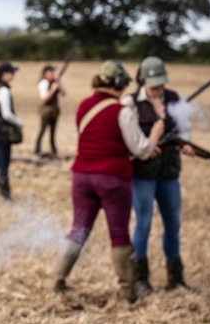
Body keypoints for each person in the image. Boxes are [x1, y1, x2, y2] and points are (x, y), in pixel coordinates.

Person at [50, 60, 164, 302]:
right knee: (119, 234)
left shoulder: (83, 105)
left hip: (81, 177)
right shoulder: (121, 110)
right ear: (120, 83)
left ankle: (57, 281)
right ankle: (127, 292)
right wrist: (154, 138)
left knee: (78, 230)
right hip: (113, 179)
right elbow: (141, 148)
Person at [122, 56, 196, 297]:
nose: (158, 87)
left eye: (161, 82)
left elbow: (184, 129)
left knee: (173, 223)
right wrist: (147, 144)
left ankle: (176, 278)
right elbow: (128, 137)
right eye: (153, 82)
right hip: (143, 172)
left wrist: (186, 143)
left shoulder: (175, 98)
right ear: (142, 78)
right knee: (143, 222)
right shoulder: (130, 102)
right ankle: (140, 280)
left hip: (169, 171)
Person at [0, 61, 23, 199]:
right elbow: (7, 114)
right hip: (3, 132)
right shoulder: (4, 90)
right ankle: (5, 194)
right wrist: (19, 123)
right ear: (3, 74)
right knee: (4, 163)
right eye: (11, 72)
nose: (13, 74)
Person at [35, 65, 65, 156]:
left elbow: (64, 94)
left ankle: (53, 150)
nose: (53, 74)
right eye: (51, 72)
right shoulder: (43, 83)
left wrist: (59, 83)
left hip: (54, 111)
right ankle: (37, 148)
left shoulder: (55, 82)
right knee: (42, 130)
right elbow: (45, 98)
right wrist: (53, 89)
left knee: (53, 132)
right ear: (46, 73)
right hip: (46, 111)